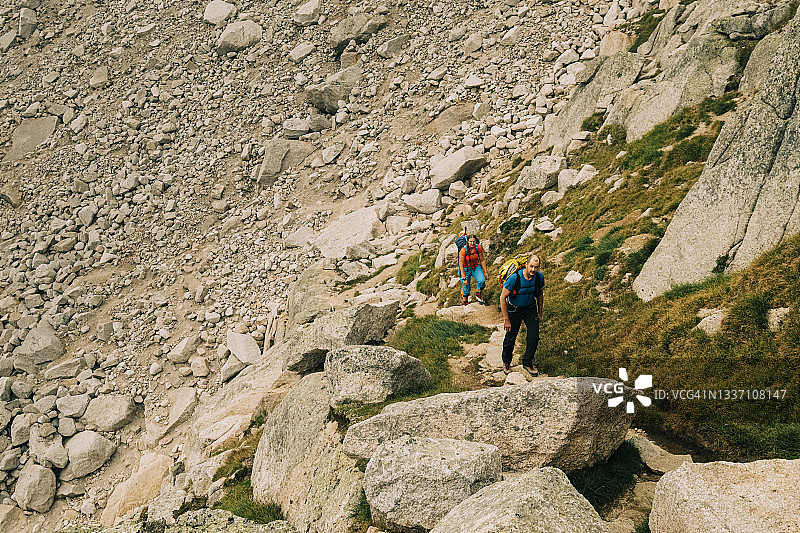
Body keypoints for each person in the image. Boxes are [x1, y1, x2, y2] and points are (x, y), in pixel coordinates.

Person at [499, 254, 544, 375]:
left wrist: (540, 312)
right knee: (510, 337)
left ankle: (528, 363)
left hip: (530, 308)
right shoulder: (514, 278)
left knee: (534, 337)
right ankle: (506, 362)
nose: (533, 269)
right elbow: (503, 297)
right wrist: (506, 319)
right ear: (526, 265)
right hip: (514, 309)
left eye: (536, 267)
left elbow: (539, 294)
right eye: (531, 266)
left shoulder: (539, 277)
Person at [458, 234, 488, 305]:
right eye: (470, 241)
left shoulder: (478, 248)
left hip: (475, 267)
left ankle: (478, 293)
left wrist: (485, 272)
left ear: (475, 242)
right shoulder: (463, 251)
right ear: (467, 242)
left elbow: (482, 260)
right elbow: (461, 265)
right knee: (466, 289)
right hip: (465, 269)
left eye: (474, 241)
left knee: (482, 281)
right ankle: (465, 302)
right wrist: (464, 278)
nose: (472, 243)